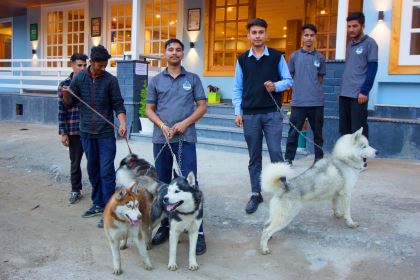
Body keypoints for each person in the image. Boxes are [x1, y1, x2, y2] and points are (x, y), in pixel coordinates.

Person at [145, 38, 208, 254]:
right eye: (170, 49)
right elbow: (149, 109)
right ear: (164, 53)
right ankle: (165, 226)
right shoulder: (156, 80)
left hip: (185, 138)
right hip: (162, 139)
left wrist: (184, 123)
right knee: (163, 186)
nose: (174, 52)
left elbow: (202, 107)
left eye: (178, 50)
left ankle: (198, 233)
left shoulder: (192, 78)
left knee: (191, 184)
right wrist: (162, 125)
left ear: (182, 54)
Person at [232, 18, 293, 214]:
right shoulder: (242, 59)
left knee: (276, 153)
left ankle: (283, 191)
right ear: (248, 36)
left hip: (272, 114)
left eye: (261, 32)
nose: (257, 36)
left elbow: (288, 80)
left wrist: (276, 86)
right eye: (254, 32)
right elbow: (237, 88)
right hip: (250, 115)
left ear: (266, 34)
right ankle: (256, 194)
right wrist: (237, 112)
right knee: (254, 157)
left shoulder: (277, 57)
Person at [62, 45, 127, 228]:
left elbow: (118, 104)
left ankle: (109, 210)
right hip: (86, 133)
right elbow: (69, 103)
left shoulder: (110, 80)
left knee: (106, 171)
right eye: (99, 66)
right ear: (92, 62)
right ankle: (97, 203)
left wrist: (122, 123)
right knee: (93, 169)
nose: (102, 69)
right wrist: (66, 94)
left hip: (106, 133)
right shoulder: (80, 78)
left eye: (105, 66)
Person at [339, 12, 378, 170]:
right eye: (349, 26)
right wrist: (341, 91)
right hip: (345, 94)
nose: (351, 29)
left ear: (362, 26)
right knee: (345, 130)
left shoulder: (370, 43)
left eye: (354, 26)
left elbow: (372, 69)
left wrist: (365, 91)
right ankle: (349, 159)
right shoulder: (350, 44)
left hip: (358, 95)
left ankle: (362, 161)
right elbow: (349, 69)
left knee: (358, 130)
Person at [285, 23, 326, 166]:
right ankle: (289, 159)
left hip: (316, 102)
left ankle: (319, 160)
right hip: (298, 102)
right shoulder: (294, 56)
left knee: (318, 134)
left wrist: (311, 88)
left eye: (312, 35)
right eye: (306, 35)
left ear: (315, 37)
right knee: (293, 132)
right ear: (302, 37)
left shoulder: (320, 57)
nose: (309, 38)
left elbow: (320, 78)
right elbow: (290, 77)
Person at [58, 53, 88, 204]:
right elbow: (61, 110)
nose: (82, 68)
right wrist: (63, 133)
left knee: (94, 162)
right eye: (79, 65)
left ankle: (99, 192)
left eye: (84, 65)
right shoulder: (65, 85)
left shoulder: (90, 83)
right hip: (74, 130)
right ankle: (75, 190)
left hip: (90, 131)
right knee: (75, 162)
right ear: (72, 65)